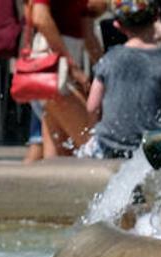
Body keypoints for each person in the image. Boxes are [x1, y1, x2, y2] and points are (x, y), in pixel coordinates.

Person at [83, 0, 161, 158]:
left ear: (118, 25)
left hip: (106, 144)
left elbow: (92, 106)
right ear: (156, 18)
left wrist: (90, 135)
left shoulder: (110, 59)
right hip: (148, 147)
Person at [28, 0, 107, 154]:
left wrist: (109, 72)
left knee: (60, 154)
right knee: (91, 147)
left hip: (59, 69)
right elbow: (40, 18)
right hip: (55, 69)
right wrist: (71, 64)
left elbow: (88, 36)